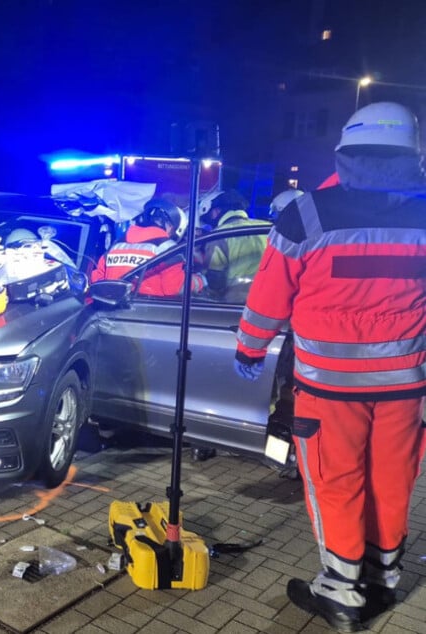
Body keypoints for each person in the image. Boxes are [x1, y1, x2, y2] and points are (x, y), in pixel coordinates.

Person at [234, 102, 426, 632]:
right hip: (406, 387)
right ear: (413, 152)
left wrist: (250, 349)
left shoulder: (307, 213)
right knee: (393, 482)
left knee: (336, 482)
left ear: (344, 150)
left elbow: (269, 297)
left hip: (328, 389)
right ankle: (383, 580)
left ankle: (341, 592)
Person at [90, 198, 205, 296]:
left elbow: (97, 278)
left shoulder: (117, 245)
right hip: (148, 314)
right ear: (171, 227)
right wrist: (200, 281)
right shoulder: (168, 248)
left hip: (111, 312)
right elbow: (173, 289)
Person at [199, 189, 272, 301]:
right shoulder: (269, 228)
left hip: (237, 302)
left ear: (216, 211)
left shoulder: (218, 236)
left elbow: (215, 281)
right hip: (273, 298)